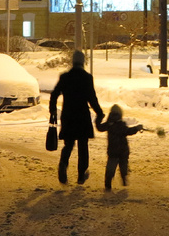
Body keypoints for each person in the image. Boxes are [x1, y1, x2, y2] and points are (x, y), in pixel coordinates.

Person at [48, 50, 104, 185]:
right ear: (83, 62)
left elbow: (54, 94)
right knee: (83, 146)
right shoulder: (87, 78)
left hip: (68, 115)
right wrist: (99, 112)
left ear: (73, 61)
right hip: (82, 115)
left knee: (68, 144)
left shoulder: (65, 77)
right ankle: (81, 175)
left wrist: (53, 110)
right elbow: (92, 98)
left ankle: (63, 164)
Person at [95, 103, 144, 192]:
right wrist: (137, 128)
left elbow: (99, 128)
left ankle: (108, 182)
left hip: (112, 150)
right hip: (123, 151)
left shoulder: (108, 124)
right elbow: (128, 131)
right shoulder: (121, 124)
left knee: (110, 167)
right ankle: (124, 178)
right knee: (123, 166)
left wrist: (98, 118)